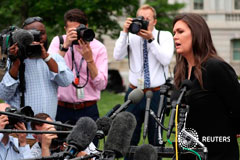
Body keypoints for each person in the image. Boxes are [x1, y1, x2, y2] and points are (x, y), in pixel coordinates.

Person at [172, 13, 240, 160]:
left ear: (197, 33)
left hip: (218, 152)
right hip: (187, 152)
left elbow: (237, 107)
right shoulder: (179, 71)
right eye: (174, 32)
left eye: (180, 31)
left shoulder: (216, 68)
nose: (175, 36)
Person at [113, 4, 174, 149]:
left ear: (154, 21)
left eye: (147, 19)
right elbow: (117, 56)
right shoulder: (131, 36)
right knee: (128, 136)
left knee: (155, 137)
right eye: (141, 18)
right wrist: (124, 32)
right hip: (134, 92)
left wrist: (151, 40)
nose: (144, 21)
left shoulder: (164, 35)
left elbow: (165, 60)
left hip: (157, 93)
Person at [0, 17, 74, 120]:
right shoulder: (12, 59)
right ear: (23, 37)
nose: (39, 37)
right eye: (33, 34)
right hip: (21, 130)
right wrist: (16, 64)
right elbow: (4, 95)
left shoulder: (54, 57)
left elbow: (66, 81)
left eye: (42, 33)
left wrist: (46, 57)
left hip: (46, 130)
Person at [48, 9, 108, 131]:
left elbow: (101, 85)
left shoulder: (98, 47)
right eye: (72, 31)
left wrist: (90, 60)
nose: (77, 34)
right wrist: (64, 48)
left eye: (79, 29)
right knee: (60, 147)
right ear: (65, 29)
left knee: (90, 149)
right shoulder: (58, 42)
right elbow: (49, 73)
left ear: (86, 27)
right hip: (62, 108)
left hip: (88, 108)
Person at [30, 113, 97, 159]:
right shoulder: (35, 152)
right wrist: (45, 148)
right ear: (36, 137)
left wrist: (84, 156)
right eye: (46, 132)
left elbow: (97, 156)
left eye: (51, 128)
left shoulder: (74, 137)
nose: (52, 133)